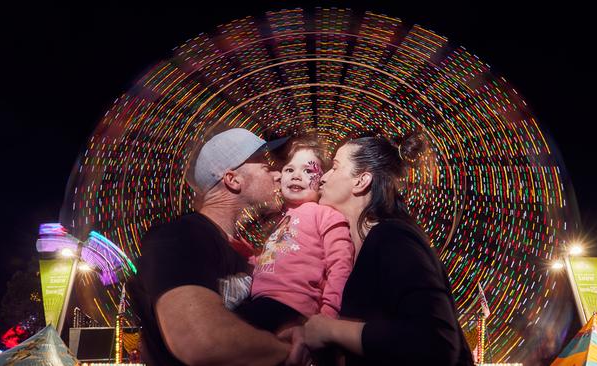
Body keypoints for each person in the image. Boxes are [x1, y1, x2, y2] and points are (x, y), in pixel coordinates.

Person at [282, 133, 474, 365]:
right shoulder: (351, 254)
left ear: (361, 181)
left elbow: (436, 343)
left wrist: (330, 329)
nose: (323, 178)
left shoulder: (393, 238)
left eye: (334, 167)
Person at [128, 128, 294, 366]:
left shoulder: (242, 253)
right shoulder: (180, 237)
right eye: (265, 167)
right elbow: (199, 340)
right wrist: (288, 351)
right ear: (233, 180)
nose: (278, 175)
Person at [236, 137, 355, 333]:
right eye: (289, 169)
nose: (296, 176)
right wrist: (246, 253)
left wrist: (328, 317)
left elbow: (341, 265)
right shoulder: (279, 220)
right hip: (258, 303)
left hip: (292, 310)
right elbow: (276, 261)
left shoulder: (327, 215)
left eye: (308, 171)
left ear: (322, 179)